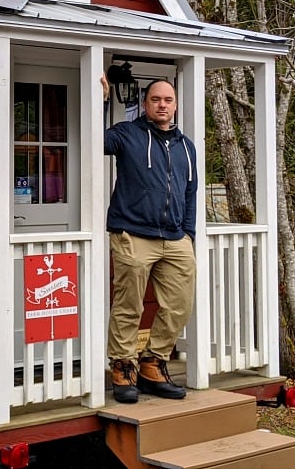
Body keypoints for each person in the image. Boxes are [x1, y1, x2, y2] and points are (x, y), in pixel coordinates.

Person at [101, 75, 197, 404]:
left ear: (175, 105)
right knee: (129, 305)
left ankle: (152, 364)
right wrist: (100, 102)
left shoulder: (186, 147)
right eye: (156, 99)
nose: (162, 105)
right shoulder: (127, 135)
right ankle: (123, 366)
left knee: (180, 305)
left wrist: (189, 233)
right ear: (145, 104)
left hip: (175, 238)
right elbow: (98, 140)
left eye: (167, 100)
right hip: (133, 232)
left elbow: (190, 192)